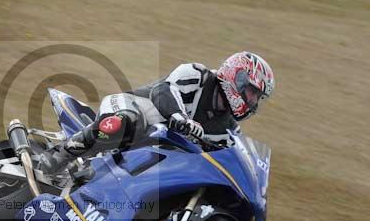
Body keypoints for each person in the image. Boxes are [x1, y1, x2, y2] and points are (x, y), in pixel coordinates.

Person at [39, 51, 275, 174]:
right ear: (237, 77)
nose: (252, 101)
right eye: (251, 92)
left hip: (158, 149)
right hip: (136, 108)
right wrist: (179, 117)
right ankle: (61, 154)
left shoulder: (229, 129)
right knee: (123, 123)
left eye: (257, 98)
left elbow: (225, 156)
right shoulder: (198, 74)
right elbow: (164, 91)